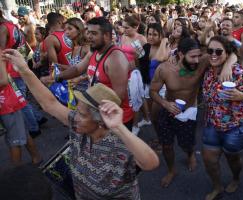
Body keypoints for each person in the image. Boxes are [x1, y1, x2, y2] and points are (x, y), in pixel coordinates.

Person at [2, 48, 159, 199]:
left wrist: (119, 128)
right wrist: (23, 69)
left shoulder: (120, 142)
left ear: (100, 121)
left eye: (82, 115)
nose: (74, 117)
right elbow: (49, 103)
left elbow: (151, 163)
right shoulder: (78, 124)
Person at [150, 38, 237, 188]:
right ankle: (171, 170)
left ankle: (190, 155)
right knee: (167, 145)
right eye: (192, 56)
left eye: (198, 55)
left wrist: (228, 66)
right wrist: (165, 104)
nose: (197, 60)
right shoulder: (164, 69)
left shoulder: (202, 61)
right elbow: (152, 91)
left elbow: (232, 53)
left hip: (189, 111)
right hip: (169, 110)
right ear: (181, 54)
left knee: (187, 143)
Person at [201, 36, 243, 200]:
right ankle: (217, 187)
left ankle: (236, 178)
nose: (213, 54)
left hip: (237, 127)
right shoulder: (208, 69)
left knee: (232, 159)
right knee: (208, 159)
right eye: (210, 51)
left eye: (218, 51)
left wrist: (240, 95)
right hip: (213, 124)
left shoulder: (237, 71)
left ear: (227, 53)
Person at [54, 17, 134, 129]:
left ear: (106, 35)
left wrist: (87, 109)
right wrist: (57, 77)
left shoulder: (115, 58)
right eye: (88, 32)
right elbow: (77, 69)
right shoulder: (94, 51)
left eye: (94, 33)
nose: (89, 36)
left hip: (117, 120)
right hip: (99, 115)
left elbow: (118, 97)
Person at [0, 51, 42, 165]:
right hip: (8, 101)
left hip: (7, 103)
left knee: (14, 139)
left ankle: (17, 173)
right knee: (21, 131)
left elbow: (3, 80)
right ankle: (36, 158)